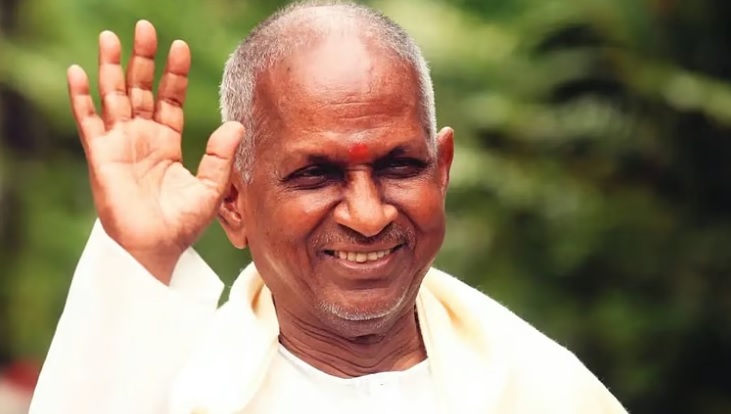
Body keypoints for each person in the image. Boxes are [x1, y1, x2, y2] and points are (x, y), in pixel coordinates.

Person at [29, 1, 629, 413]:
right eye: (315, 175)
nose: (368, 216)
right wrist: (141, 258)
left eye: (400, 166)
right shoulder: (180, 392)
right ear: (232, 201)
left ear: (442, 170)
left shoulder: (546, 392)